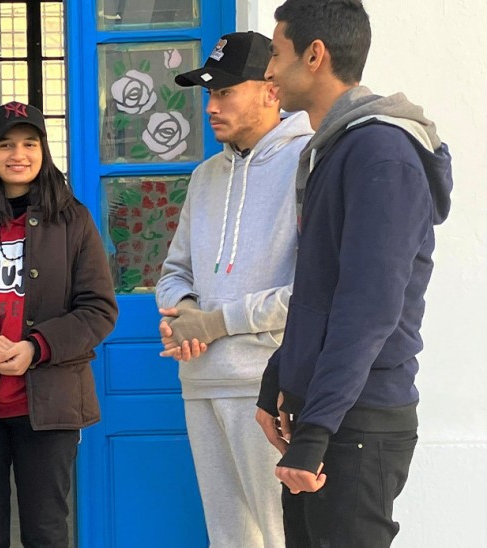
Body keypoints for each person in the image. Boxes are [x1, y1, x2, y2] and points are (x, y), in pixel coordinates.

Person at [256, 1, 453, 546]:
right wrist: (279, 378)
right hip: (328, 414)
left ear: (314, 55)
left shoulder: (380, 153)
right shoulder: (336, 149)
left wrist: (316, 430)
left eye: (276, 53)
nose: (268, 70)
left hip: (357, 424)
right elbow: (320, 290)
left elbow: (368, 308)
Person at [155, 31, 313, 547]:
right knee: (229, 539)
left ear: (271, 90)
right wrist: (183, 312)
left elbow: (312, 291)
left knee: (284, 536)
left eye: (225, 92)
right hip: (201, 382)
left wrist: (217, 321)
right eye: (208, 93)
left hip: (270, 388)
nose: (210, 107)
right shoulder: (204, 178)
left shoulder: (309, 162)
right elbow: (174, 271)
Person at [0, 101, 118, 548]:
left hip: (50, 404)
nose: (17, 154)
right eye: (5, 144)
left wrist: (36, 348)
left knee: (46, 530)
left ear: (43, 150)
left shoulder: (72, 220)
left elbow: (98, 308)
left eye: (29, 143)